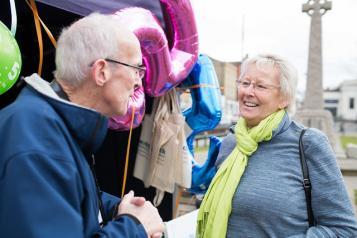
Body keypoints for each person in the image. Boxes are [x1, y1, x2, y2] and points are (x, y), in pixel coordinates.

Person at [0, 13, 164, 238]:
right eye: (136, 69)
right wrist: (134, 227)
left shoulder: (49, 126)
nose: (138, 81)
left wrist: (116, 208)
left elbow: (67, 196)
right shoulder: (37, 140)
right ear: (101, 71)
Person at [196, 54, 357, 237]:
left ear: (284, 99)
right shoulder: (232, 142)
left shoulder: (308, 143)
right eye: (245, 83)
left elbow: (344, 230)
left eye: (261, 86)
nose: (248, 91)